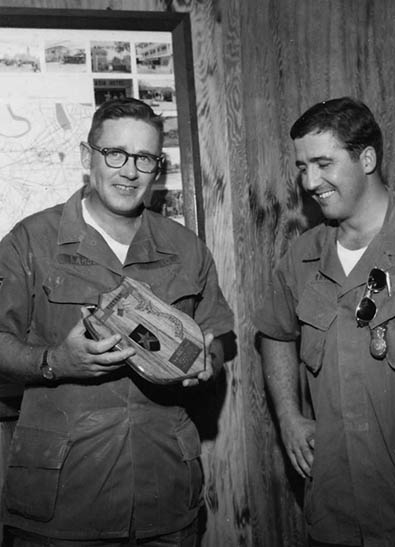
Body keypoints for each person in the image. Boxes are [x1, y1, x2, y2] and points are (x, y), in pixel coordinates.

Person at [0, 97, 234, 547]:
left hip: (165, 498)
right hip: (63, 505)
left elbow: (217, 334)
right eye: (116, 154)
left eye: (145, 158)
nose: (130, 170)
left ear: (156, 168)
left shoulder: (185, 248)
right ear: (88, 158)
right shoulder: (31, 241)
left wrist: (210, 359)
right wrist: (56, 361)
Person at [255, 97, 395, 547]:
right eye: (302, 168)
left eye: (324, 163)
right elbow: (275, 332)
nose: (310, 182)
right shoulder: (302, 257)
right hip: (336, 509)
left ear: (367, 159)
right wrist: (289, 416)